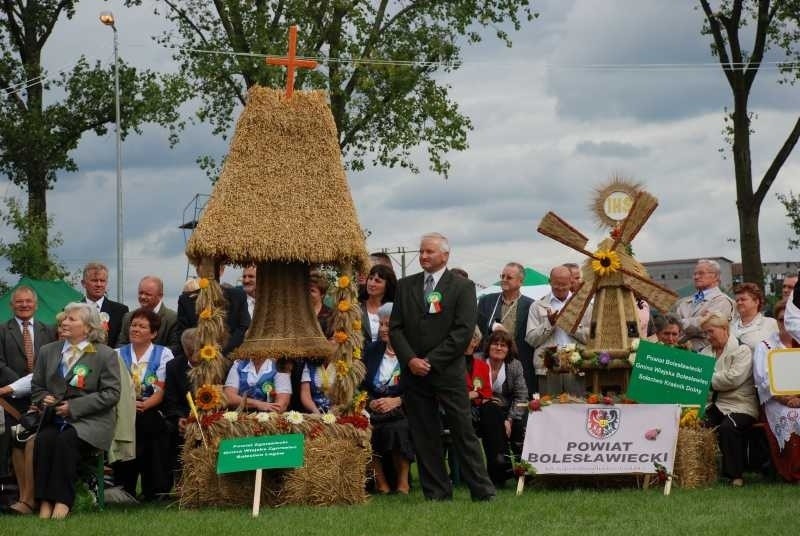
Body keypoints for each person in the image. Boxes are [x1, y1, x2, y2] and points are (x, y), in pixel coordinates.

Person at [389, 232, 495, 502]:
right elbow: (396, 328)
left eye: (430, 252)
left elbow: (462, 331)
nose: (423, 256)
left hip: (447, 372)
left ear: (445, 255)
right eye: (422, 252)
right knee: (425, 435)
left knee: (463, 431)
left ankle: (482, 491)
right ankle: (436, 493)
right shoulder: (405, 285)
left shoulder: (462, 287)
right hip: (414, 374)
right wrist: (411, 360)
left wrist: (431, 361)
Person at [31, 302, 121, 519]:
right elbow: (36, 387)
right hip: (55, 419)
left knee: (65, 441)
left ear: (88, 328)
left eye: (72, 319)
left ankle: (63, 502)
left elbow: (111, 394)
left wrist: (74, 407)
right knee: (43, 440)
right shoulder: (47, 351)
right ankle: (44, 501)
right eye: (65, 318)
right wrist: (46, 398)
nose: (64, 322)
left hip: (91, 422)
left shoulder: (105, 355)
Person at [0, 286, 57, 508]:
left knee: (37, 444)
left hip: (43, 399)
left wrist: (37, 385)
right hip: (11, 399)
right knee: (15, 442)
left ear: (36, 304)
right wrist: (22, 384)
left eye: (28, 301)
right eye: (19, 302)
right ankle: (21, 497)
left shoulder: (49, 330)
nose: (24, 305)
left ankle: (38, 495)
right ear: (11, 305)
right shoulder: (3, 330)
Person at [113, 308, 175, 501]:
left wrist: (146, 404)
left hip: (152, 407)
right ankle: (125, 487)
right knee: (128, 426)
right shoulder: (116, 354)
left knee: (149, 424)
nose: (136, 329)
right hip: (123, 409)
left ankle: (155, 488)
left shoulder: (164, 353)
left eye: (142, 326)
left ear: (153, 333)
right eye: (133, 325)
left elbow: (162, 388)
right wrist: (129, 406)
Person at [700, 312, 758, 487]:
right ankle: (702, 473)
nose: (708, 336)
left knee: (728, 427)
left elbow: (733, 379)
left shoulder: (742, 349)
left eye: (711, 331)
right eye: (705, 333)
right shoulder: (704, 352)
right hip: (713, 404)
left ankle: (736, 476)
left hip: (741, 405)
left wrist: (704, 379)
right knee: (696, 424)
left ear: (724, 329)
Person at [361, 302, 413, 494]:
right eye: (381, 324)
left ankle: (402, 482)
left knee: (398, 428)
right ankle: (381, 482)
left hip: (403, 408)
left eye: (388, 325)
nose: (383, 329)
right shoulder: (372, 350)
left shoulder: (412, 352)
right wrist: (370, 401)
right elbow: (362, 385)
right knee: (364, 427)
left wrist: (398, 401)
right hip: (374, 408)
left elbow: (421, 389)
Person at [752, 299, 800, 482]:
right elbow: (763, 379)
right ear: (776, 321)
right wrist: (787, 399)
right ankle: (793, 471)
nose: (786, 324)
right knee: (791, 417)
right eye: (782, 320)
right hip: (777, 401)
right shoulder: (765, 346)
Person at [525, 265, 589, 396]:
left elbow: (593, 338)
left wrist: (572, 326)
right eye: (556, 284)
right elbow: (531, 340)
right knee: (550, 411)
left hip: (577, 368)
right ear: (549, 281)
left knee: (578, 410)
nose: (560, 288)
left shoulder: (585, 305)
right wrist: (549, 324)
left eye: (564, 284)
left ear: (571, 282)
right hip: (548, 370)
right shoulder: (537, 306)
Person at [477, 330, 528, 487]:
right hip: (479, 410)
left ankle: (525, 474)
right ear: (488, 346)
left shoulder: (514, 365)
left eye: (503, 345)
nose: (499, 348)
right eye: (495, 344)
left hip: (507, 412)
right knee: (491, 414)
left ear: (508, 349)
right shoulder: (477, 361)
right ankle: (500, 472)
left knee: (518, 426)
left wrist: (510, 419)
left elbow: (522, 396)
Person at [477, 262, 536, 395]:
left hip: (519, 362)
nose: (503, 280)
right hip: (490, 361)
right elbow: (478, 329)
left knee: (519, 401)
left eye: (509, 277)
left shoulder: (531, 305)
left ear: (520, 282)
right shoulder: (486, 301)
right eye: (502, 276)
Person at [176, 267, 250, 357]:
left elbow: (243, 328)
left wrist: (221, 352)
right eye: (204, 267)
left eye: (213, 267)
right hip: (197, 359)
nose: (209, 272)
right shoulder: (186, 300)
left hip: (230, 359)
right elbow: (183, 333)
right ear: (198, 271)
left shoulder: (237, 296)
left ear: (222, 270)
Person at [163, 328, 199, 484]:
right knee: (169, 429)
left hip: (213, 414)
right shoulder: (173, 366)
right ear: (185, 350)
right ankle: (177, 482)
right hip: (185, 414)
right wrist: (180, 418)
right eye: (191, 351)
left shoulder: (218, 364)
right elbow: (171, 400)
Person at [675, 259, 735, 351]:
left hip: (708, 355)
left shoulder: (723, 301)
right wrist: (699, 320)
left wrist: (682, 323)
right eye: (695, 274)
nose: (696, 277)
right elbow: (674, 329)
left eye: (701, 273)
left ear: (716, 276)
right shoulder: (684, 302)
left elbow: (709, 328)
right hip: (682, 354)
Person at [118, 276, 180, 355]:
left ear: (160, 296)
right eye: (141, 293)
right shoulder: (128, 317)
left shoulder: (173, 319)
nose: (143, 297)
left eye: (148, 294)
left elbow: (175, 348)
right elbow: (121, 344)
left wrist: (147, 354)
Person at [81, 262, 129, 348]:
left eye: (102, 281)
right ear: (83, 283)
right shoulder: (73, 310)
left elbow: (122, 342)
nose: (99, 285)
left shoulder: (120, 311)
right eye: (94, 280)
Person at [224, 355, 291, 413]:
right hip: (239, 417)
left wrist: (265, 416)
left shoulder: (279, 366)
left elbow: (282, 405)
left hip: (269, 418)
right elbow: (228, 397)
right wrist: (258, 404)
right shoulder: (239, 364)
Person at [730, 282, 778, 353]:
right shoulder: (729, 325)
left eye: (743, 299)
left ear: (756, 302)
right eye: (737, 300)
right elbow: (713, 350)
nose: (739, 303)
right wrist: (707, 364)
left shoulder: (771, 324)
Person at [360, 264, 397, 349]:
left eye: (377, 281)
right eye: (370, 278)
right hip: (359, 358)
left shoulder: (394, 308)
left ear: (387, 285)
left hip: (386, 357)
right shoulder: (357, 307)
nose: (372, 283)